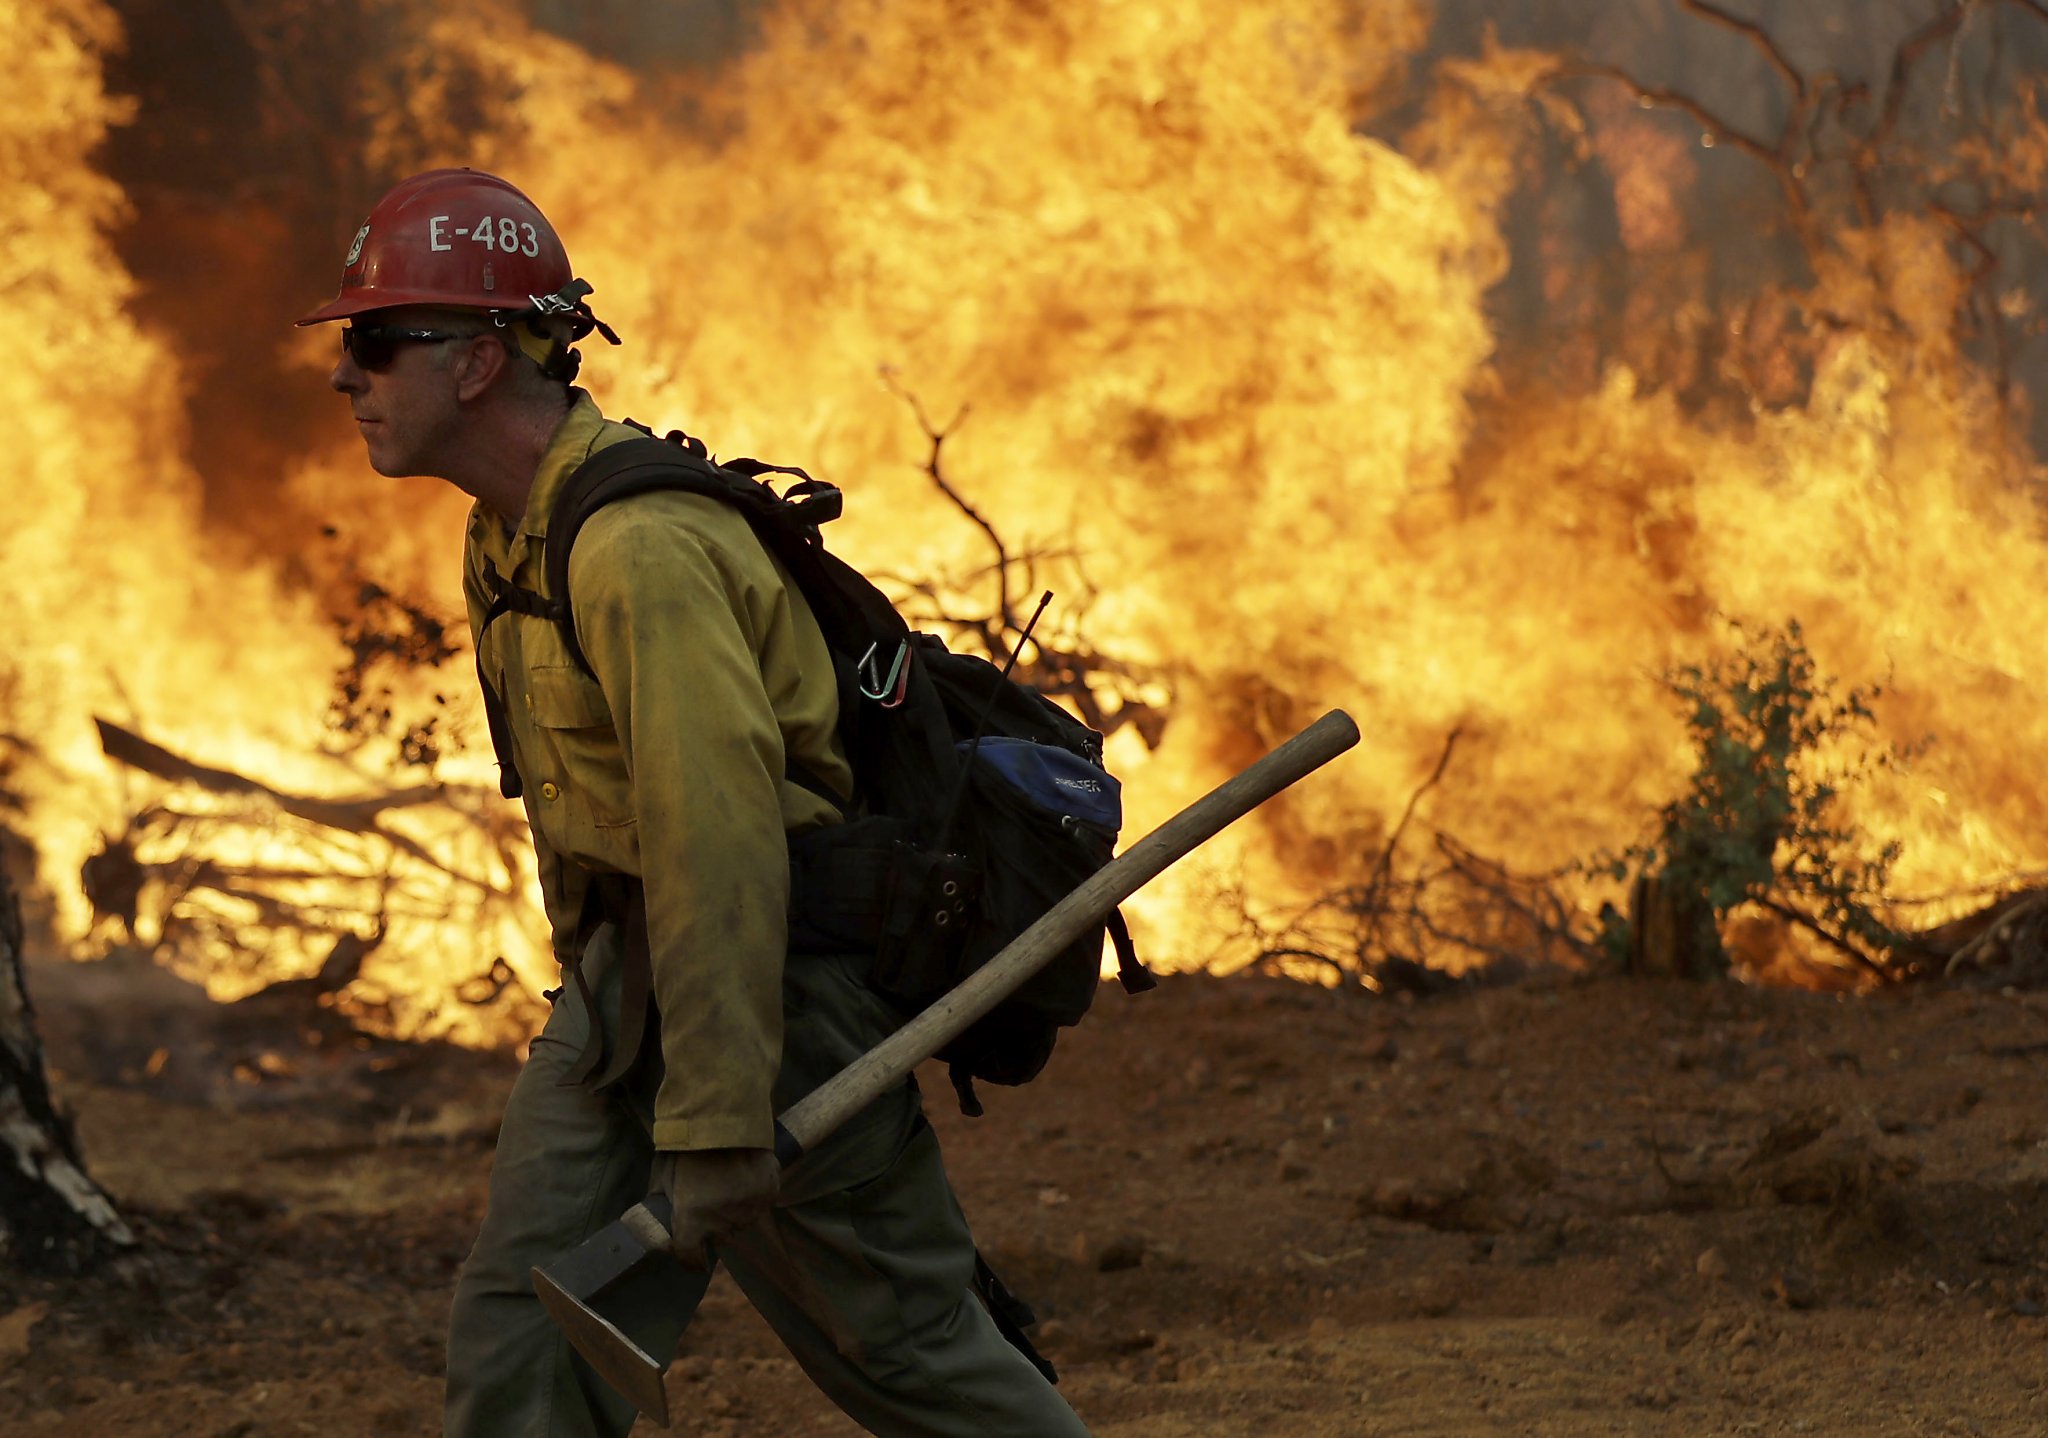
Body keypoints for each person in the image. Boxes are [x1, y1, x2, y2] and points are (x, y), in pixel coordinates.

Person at [300, 168, 1089, 1438]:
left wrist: (720, 1113)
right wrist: (605, 1008)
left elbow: (717, 839)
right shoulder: (508, 535)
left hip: (772, 993)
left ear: (481, 363)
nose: (347, 375)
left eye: (379, 341)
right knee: (523, 1325)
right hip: (628, 985)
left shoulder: (635, 550)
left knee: (905, 1351)